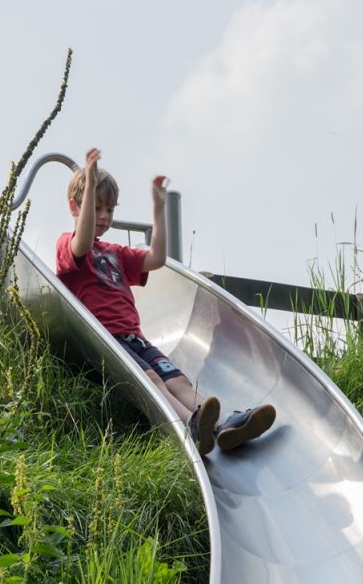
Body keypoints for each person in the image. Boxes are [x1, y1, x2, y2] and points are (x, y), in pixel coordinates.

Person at [55, 147, 276, 456]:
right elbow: (83, 237)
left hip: (136, 338)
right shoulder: (69, 245)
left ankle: (224, 426)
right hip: (106, 341)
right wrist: (89, 182)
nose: (104, 216)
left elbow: (157, 258)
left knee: (180, 381)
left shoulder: (116, 253)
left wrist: (158, 208)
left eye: (109, 209)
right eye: (96, 207)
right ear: (75, 207)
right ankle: (190, 424)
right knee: (153, 379)